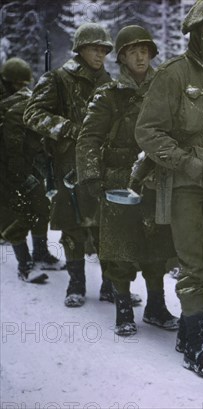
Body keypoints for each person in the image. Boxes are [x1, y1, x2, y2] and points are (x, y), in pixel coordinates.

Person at [135, 0, 203, 378]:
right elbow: (147, 131)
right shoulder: (172, 74)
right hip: (183, 183)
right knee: (195, 262)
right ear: (198, 33)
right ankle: (197, 341)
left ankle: (188, 331)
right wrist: (187, 163)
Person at [76, 25, 179, 336]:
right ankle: (123, 308)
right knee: (120, 247)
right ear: (121, 57)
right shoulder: (107, 95)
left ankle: (156, 306)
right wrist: (92, 176)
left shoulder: (164, 89)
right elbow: (88, 138)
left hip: (156, 177)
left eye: (145, 50)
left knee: (158, 245)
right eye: (133, 51)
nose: (140, 56)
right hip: (120, 181)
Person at [23, 23, 113, 307]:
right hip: (68, 164)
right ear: (81, 49)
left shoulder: (109, 81)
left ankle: (112, 285)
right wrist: (69, 129)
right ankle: (76, 284)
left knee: (107, 225)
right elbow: (32, 114)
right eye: (94, 48)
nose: (100, 54)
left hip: (102, 165)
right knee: (72, 227)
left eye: (104, 49)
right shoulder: (58, 79)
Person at [1, 57, 61, 282]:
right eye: (17, 84)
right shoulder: (14, 105)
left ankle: (41, 254)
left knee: (41, 206)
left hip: (22, 163)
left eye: (24, 85)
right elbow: (13, 140)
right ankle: (25, 266)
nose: (22, 89)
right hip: (6, 168)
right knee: (15, 214)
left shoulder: (23, 101)